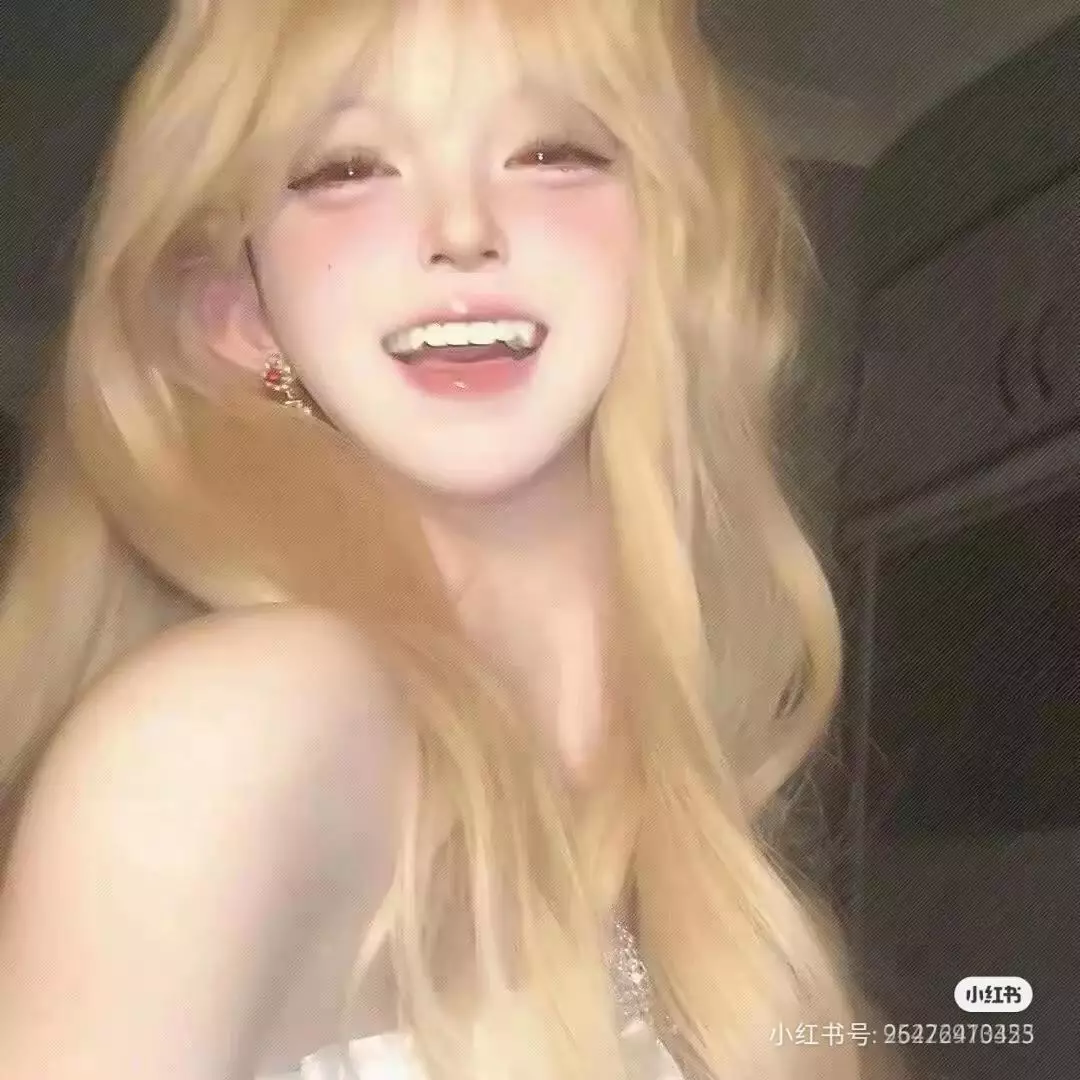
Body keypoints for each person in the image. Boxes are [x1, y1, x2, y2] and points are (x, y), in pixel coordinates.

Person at [0, 1, 897, 1078]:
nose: (463, 229)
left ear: (672, 246)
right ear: (237, 309)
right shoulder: (229, 740)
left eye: (552, 151)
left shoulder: (668, 807)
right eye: (345, 169)